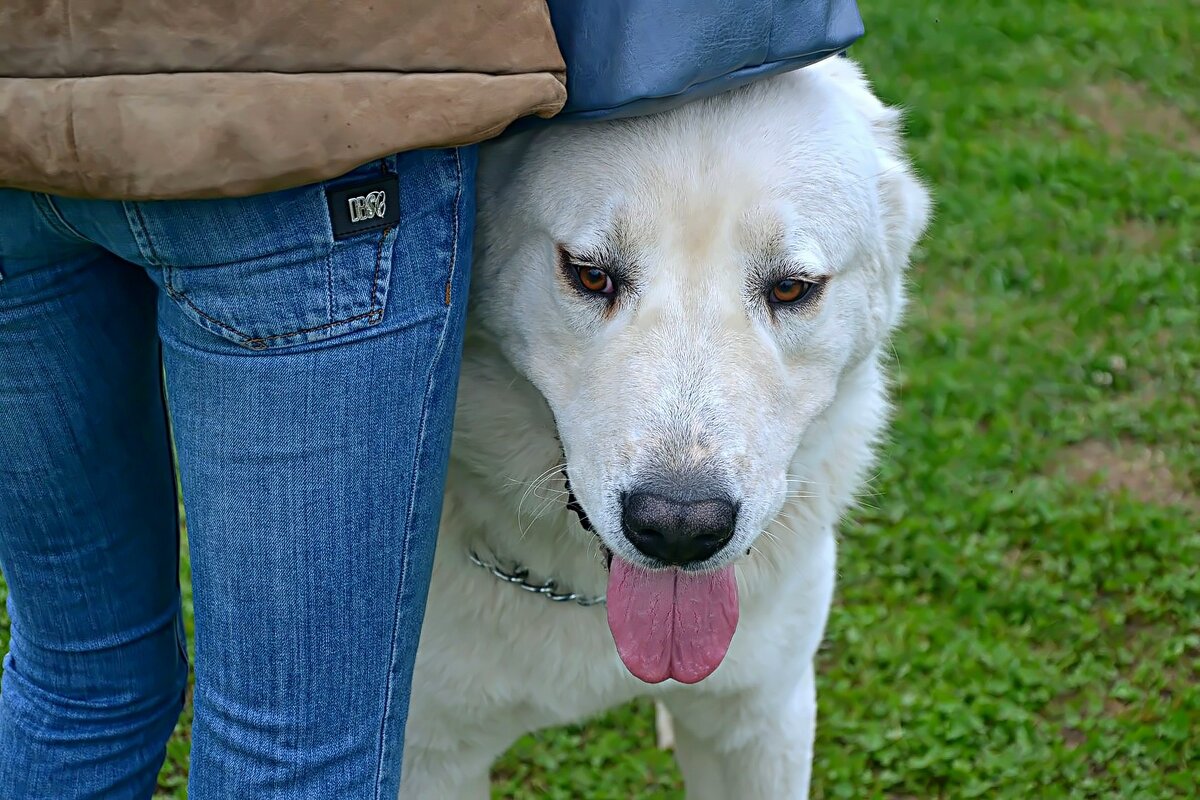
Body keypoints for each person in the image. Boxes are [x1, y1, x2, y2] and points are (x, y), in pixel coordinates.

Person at [0, 1, 862, 797]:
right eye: (594, 275)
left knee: (78, 682)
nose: (682, 495)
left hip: (19, 110)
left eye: (789, 290)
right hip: (292, 126)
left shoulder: (824, 154)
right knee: (289, 745)